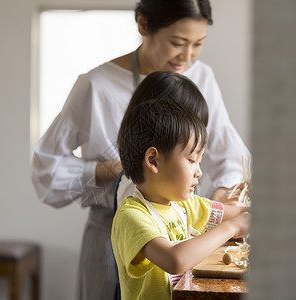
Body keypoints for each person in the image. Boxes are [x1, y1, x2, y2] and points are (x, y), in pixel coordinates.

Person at [31, 0, 250, 299]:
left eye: (197, 44)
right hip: (110, 235)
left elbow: (229, 157)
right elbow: (46, 170)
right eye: (177, 42)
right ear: (143, 25)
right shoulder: (96, 85)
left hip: (179, 218)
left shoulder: (201, 77)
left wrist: (222, 203)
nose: (187, 57)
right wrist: (116, 168)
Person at [113, 98, 250, 299]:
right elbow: (174, 259)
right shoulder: (132, 217)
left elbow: (236, 213)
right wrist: (233, 228)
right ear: (154, 161)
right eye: (192, 160)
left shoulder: (182, 204)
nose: (199, 172)